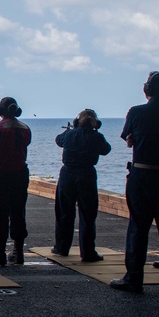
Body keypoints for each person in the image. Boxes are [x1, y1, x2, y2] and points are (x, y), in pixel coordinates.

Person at [112, 71, 159, 294]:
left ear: (147, 90)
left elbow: (127, 135)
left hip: (143, 175)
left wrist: (134, 138)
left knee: (138, 228)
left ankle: (134, 279)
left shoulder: (136, 111)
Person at [52, 109, 111, 262]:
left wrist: (70, 131)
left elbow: (58, 140)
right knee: (88, 215)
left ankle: (61, 248)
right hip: (87, 174)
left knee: (64, 212)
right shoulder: (97, 136)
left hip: (68, 174)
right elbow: (106, 150)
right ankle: (88, 252)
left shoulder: (69, 134)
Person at [0, 97, 32, 266]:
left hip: (0, 173)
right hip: (20, 173)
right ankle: (18, 252)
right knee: (18, 211)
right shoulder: (25, 128)